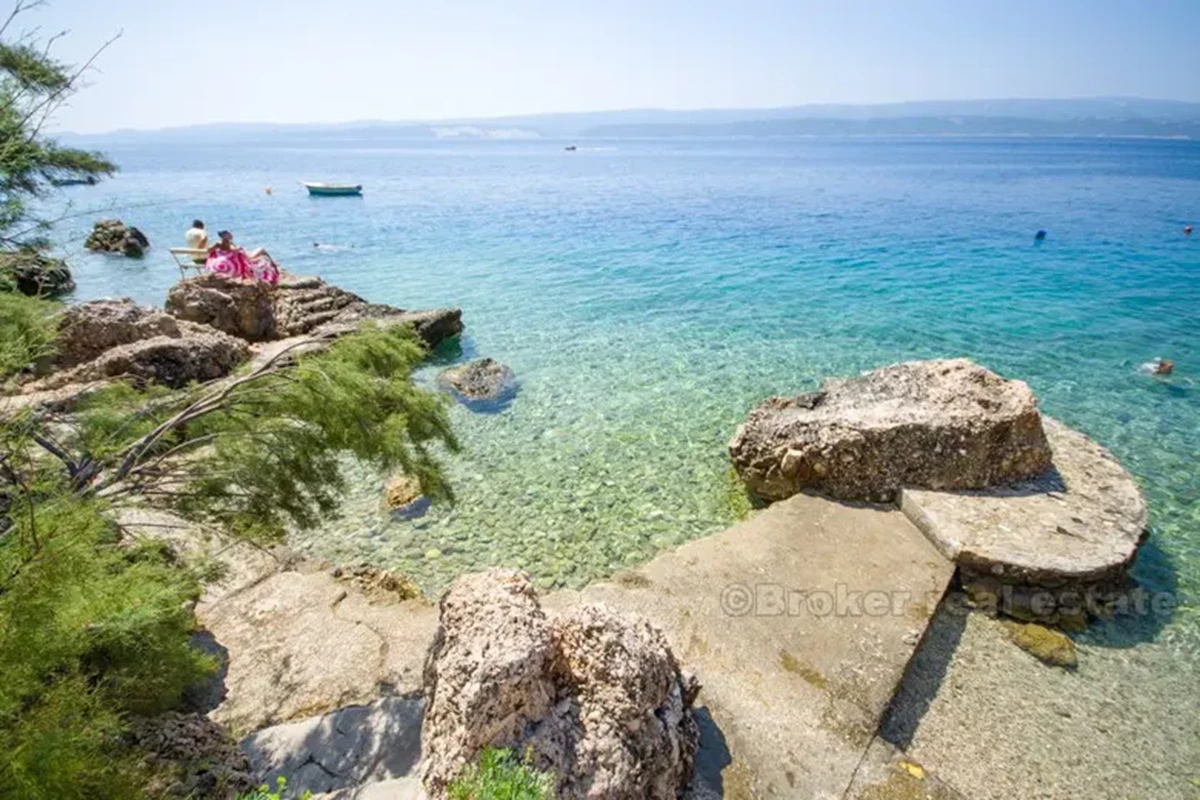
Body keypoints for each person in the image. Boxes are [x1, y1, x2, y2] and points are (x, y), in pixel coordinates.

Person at [205, 230, 280, 284]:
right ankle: (273, 264)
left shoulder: (218, 244)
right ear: (225, 235)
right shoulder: (227, 244)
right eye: (229, 233)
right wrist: (239, 248)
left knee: (261, 252)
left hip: (243, 256)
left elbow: (209, 250)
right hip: (247, 258)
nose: (231, 234)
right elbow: (234, 250)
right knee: (262, 250)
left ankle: (273, 263)